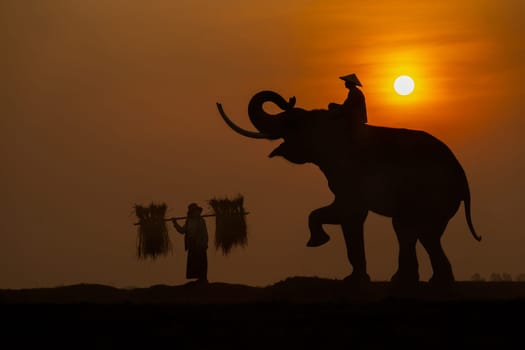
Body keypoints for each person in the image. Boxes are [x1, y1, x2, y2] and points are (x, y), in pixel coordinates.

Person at [172, 203, 209, 283]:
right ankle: (198, 279)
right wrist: (175, 223)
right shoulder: (188, 221)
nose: (196, 213)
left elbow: (205, 234)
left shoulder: (201, 221)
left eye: (197, 211)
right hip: (192, 245)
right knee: (194, 262)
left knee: (201, 262)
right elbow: (182, 231)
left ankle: (203, 279)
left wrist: (205, 243)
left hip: (200, 245)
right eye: (194, 212)